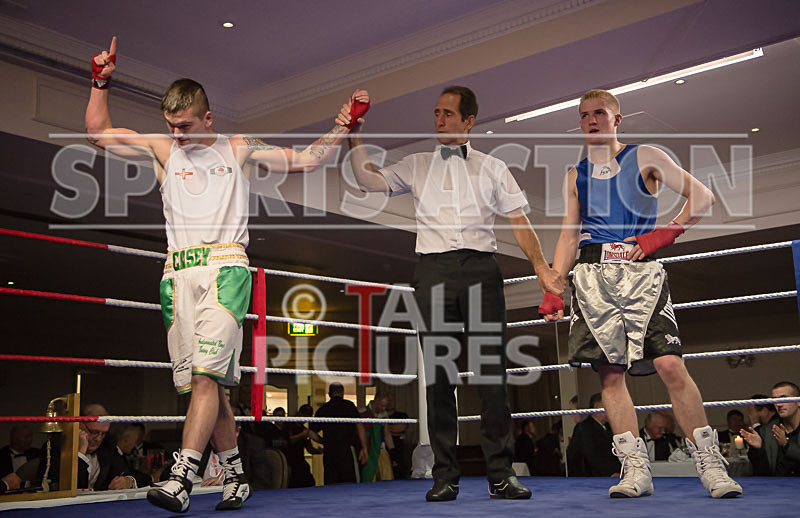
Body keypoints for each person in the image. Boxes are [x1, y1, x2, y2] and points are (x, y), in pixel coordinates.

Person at [86, 37, 360, 512]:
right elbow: (98, 132)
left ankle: (181, 477)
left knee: (208, 380)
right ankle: (235, 476)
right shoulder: (163, 149)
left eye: (186, 126)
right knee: (201, 388)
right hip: (177, 275)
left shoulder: (237, 147)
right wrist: (100, 81)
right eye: (171, 126)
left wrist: (342, 125)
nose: (179, 135)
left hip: (226, 269)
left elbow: (307, 160)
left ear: (207, 117)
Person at [340, 85, 563, 501]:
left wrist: (541, 268)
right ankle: (445, 475)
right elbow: (369, 179)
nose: (438, 119)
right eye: (436, 113)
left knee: (491, 374)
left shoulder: (493, 167)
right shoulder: (417, 163)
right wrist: (355, 134)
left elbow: (519, 221)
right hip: (434, 270)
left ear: (469, 120)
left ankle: (500, 473)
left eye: (447, 113)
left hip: (481, 268)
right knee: (440, 377)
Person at [544, 89, 741, 498]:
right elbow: (568, 234)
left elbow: (702, 196)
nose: (591, 120)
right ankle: (635, 469)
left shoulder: (645, 155)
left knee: (670, 364)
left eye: (600, 113)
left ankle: (710, 464)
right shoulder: (574, 174)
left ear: (618, 119)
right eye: (584, 115)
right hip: (592, 274)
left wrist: (664, 233)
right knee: (610, 375)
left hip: (640, 272)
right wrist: (554, 284)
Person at [311, 383, 368, 485]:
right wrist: (364, 447)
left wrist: (323, 441)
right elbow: (360, 426)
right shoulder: (349, 406)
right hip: (346, 450)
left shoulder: (323, 409)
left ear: (329, 394)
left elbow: (310, 432)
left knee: (331, 483)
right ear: (342, 393)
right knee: (350, 483)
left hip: (330, 451)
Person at [741, 381, 800, 475]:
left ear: (798, 402)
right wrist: (758, 450)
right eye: (775, 400)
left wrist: (786, 445)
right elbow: (763, 473)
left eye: (784, 398)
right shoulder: (766, 431)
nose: (779, 404)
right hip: (777, 487)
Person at [566, 393, 620, 477]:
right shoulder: (584, 428)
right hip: (595, 479)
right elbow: (591, 455)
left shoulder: (609, 427)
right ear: (597, 407)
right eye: (608, 406)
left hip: (612, 475)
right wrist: (610, 472)